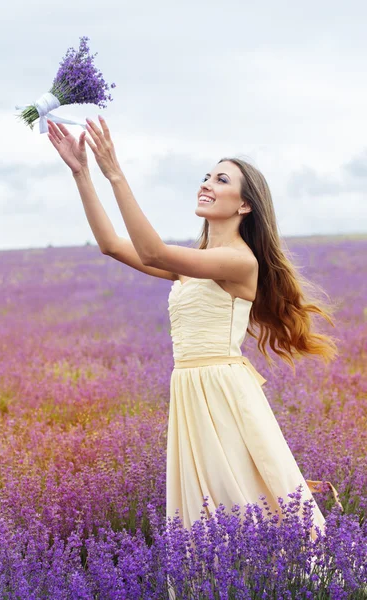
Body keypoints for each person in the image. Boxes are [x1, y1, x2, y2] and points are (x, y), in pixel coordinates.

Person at [46, 117, 343, 581]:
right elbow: (111, 245)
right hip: (190, 389)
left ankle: (301, 582)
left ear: (244, 205)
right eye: (206, 176)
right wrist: (82, 172)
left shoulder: (237, 260)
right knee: (208, 508)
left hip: (223, 393)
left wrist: (116, 173)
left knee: (240, 494)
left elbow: (153, 253)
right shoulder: (199, 262)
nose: (207, 184)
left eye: (221, 180)